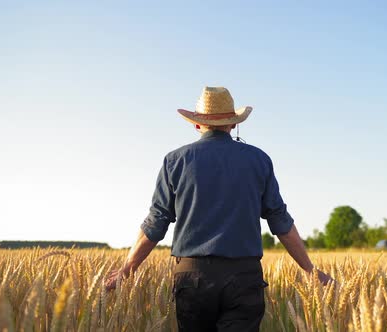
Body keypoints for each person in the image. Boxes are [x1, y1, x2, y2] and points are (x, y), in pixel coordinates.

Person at [104, 86, 334, 331]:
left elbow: (156, 222)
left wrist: (126, 270)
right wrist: (311, 270)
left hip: (192, 277)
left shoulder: (175, 160)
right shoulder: (259, 160)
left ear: (196, 124)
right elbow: (280, 222)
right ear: (233, 124)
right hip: (244, 276)